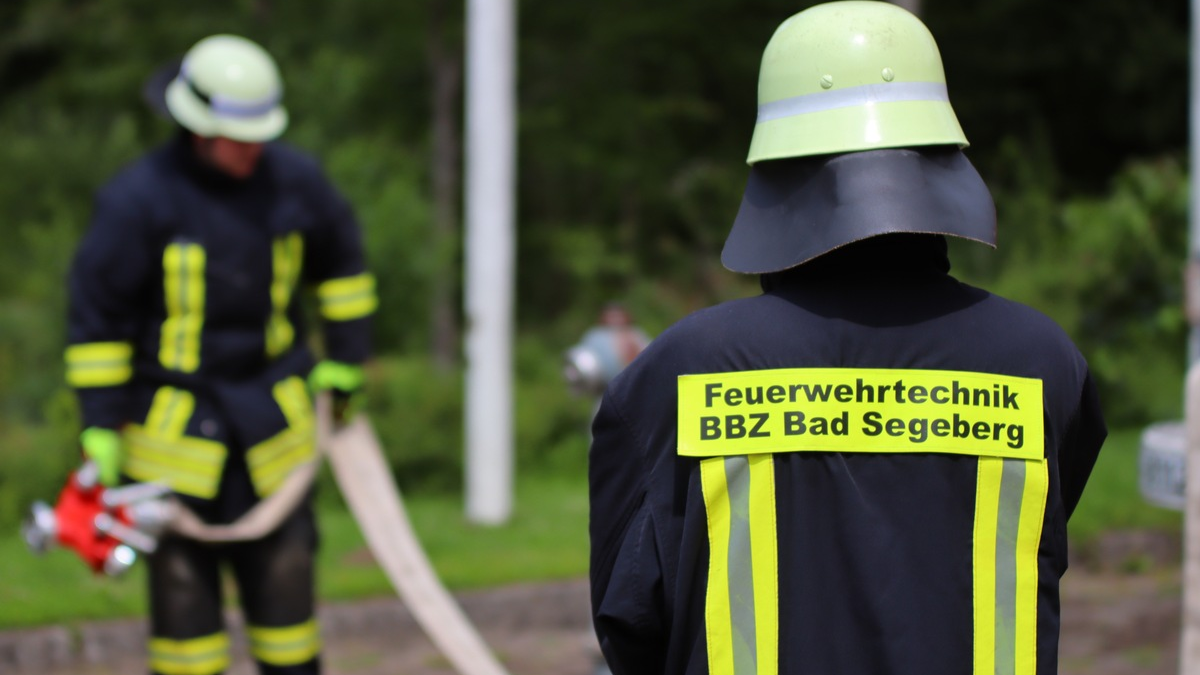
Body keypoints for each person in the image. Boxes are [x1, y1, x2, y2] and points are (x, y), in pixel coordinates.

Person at [587, 3, 1107, 675]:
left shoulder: (676, 374)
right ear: (943, 162)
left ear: (774, 173)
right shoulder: (1044, 363)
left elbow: (630, 621)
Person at [64, 34, 376, 675]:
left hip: (274, 431)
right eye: (240, 138)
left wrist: (347, 358)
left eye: (261, 135)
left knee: (288, 604)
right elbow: (97, 321)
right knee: (184, 623)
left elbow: (344, 268)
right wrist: (99, 424)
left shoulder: (297, 185)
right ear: (197, 127)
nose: (253, 150)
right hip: (172, 439)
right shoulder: (138, 200)